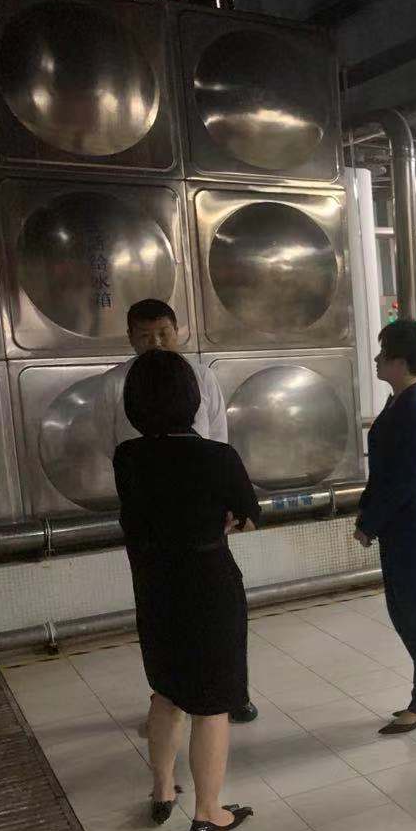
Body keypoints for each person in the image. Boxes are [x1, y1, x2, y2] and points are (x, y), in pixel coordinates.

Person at [113, 350, 259, 831]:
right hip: (209, 589)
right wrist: (226, 519)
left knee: (166, 693)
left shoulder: (127, 458)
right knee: (212, 704)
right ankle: (209, 811)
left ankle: (161, 791)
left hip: (155, 590)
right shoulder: (217, 457)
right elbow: (249, 514)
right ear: (192, 399)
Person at [99, 298, 257, 727]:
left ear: (177, 332)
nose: (155, 343)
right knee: (167, 611)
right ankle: (170, 694)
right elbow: (108, 442)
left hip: (200, 509)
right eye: (145, 335)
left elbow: (218, 434)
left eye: (163, 334)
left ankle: (228, 694)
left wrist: (221, 497)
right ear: (130, 338)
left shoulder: (201, 376)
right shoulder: (114, 383)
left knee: (209, 612)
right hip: (153, 513)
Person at [354, 320, 416, 735]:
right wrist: (367, 515)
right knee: (406, 613)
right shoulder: (399, 402)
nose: (377, 360)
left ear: (401, 361)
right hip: (401, 526)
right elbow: (384, 473)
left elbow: (406, 482)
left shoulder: (413, 411)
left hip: (414, 528)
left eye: (384, 354)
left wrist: (370, 522)